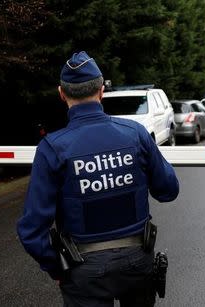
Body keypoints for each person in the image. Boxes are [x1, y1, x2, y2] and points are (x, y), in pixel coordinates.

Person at [17, 51, 179, 307]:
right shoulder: (135, 134)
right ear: (102, 91)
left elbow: (31, 230)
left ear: (62, 94)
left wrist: (57, 268)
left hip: (83, 271)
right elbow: (168, 190)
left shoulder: (53, 148)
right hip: (138, 262)